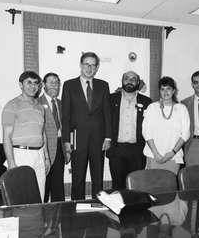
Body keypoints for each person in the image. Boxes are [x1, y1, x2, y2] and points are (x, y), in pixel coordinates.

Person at [61, 52, 112, 200]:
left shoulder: (103, 86)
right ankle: (76, 206)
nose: (89, 68)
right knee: (77, 178)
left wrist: (107, 137)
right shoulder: (69, 85)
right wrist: (66, 141)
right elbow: (66, 116)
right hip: (77, 140)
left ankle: (99, 204)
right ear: (80, 65)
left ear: (97, 68)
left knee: (98, 177)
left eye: (93, 65)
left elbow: (107, 114)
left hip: (98, 139)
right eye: (86, 64)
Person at [2, 71, 50, 201]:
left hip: (39, 155)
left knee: (39, 199)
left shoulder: (40, 107)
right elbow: (7, 137)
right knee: (21, 200)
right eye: (28, 82)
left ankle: (37, 222)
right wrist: (11, 162)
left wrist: (46, 157)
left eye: (36, 83)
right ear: (20, 85)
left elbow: (43, 133)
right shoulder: (11, 105)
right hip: (21, 155)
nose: (33, 86)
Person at [106, 71, 152, 189]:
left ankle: (134, 208)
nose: (129, 81)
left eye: (133, 79)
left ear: (138, 82)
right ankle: (119, 208)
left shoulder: (147, 102)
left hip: (137, 150)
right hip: (117, 150)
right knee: (118, 187)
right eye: (126, 78)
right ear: (122, 81)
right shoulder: (111, 99)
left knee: (135, 186)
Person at [142, 76, 190, 175]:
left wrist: (173, 152)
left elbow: (186, 133)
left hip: (173, 157)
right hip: (153, 156)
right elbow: (146, 132)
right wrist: (156, 154)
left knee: (169, 187)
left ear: (174, 91)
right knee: (152, 186)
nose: (165, 92)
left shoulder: (181, 109)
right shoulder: (152, 107)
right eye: (162, 89)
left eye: (168, 88)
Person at [37, 73, 70, 202]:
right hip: (44, 149)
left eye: (56, 82)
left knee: (58, 185)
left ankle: (60, 217)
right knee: (43, 186)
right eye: (50, 82)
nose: (54, 85)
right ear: (44, 85)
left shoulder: (61, 104)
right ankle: (42, 216)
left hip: (59, 148)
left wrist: (67, 149)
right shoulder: (37, 103)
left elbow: (65, 126)